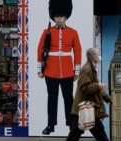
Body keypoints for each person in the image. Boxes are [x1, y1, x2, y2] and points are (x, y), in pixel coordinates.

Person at [37, 0, 82, 135]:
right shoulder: (47, 32)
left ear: (66, 16)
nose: (59, 19)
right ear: (53, 16)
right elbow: (40, 50)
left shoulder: (73, 32)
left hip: (68, 70)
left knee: (68, 98)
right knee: (52, 98)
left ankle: (71, 123)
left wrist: (76, 70)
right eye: (57, 16)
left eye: (62, 16)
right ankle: (51, 125)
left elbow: (77, 51)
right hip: (51, 70)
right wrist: (40, 69)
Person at [66, 48, 113, 141]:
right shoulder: (86, 69)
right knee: (79, 133)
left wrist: (108, 98)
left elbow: (95, 89)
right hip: (85, 108)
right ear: (93, 57)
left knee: (80, 133)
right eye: (98, 54)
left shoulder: (91, 68)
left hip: (89, 108)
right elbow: (84, 88)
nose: (100, 56)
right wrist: (98, 85)